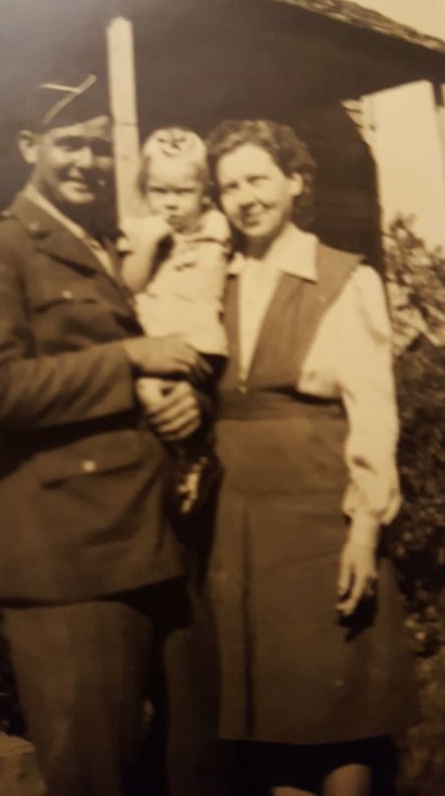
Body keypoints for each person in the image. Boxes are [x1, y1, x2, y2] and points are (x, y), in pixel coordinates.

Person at [0, 74, 224, 796]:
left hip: (158, 542)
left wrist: (187, 405)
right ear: (27, 146)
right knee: (96, 778)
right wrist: (130, 360)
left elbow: (151, 364)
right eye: (69, 143)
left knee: (193, 769)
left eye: (99, 148)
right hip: (71, 561)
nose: (87, 163)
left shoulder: (105, 247)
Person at [195, 119, 415, 796]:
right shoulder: (214, 280)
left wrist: (364, 529)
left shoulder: (343, 278)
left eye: (258, 178)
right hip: (238, 524)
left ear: (295, 181)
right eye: (230, 186)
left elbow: (373, 412)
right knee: (272, 718)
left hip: (321, 519)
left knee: (337, 713)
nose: (245, 197)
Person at [120, 126, 231, 513]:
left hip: (202, 341)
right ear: (144, 190)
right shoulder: (138, 230)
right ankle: (186, 467)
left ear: (204, 193)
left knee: (188, 405)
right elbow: (130, 283)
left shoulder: (216, 225)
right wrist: (150, 243)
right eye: (159, 191)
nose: (171, 203)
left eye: (184, 192)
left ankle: (195, 462)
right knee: (152, 394)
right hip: (157, 340)